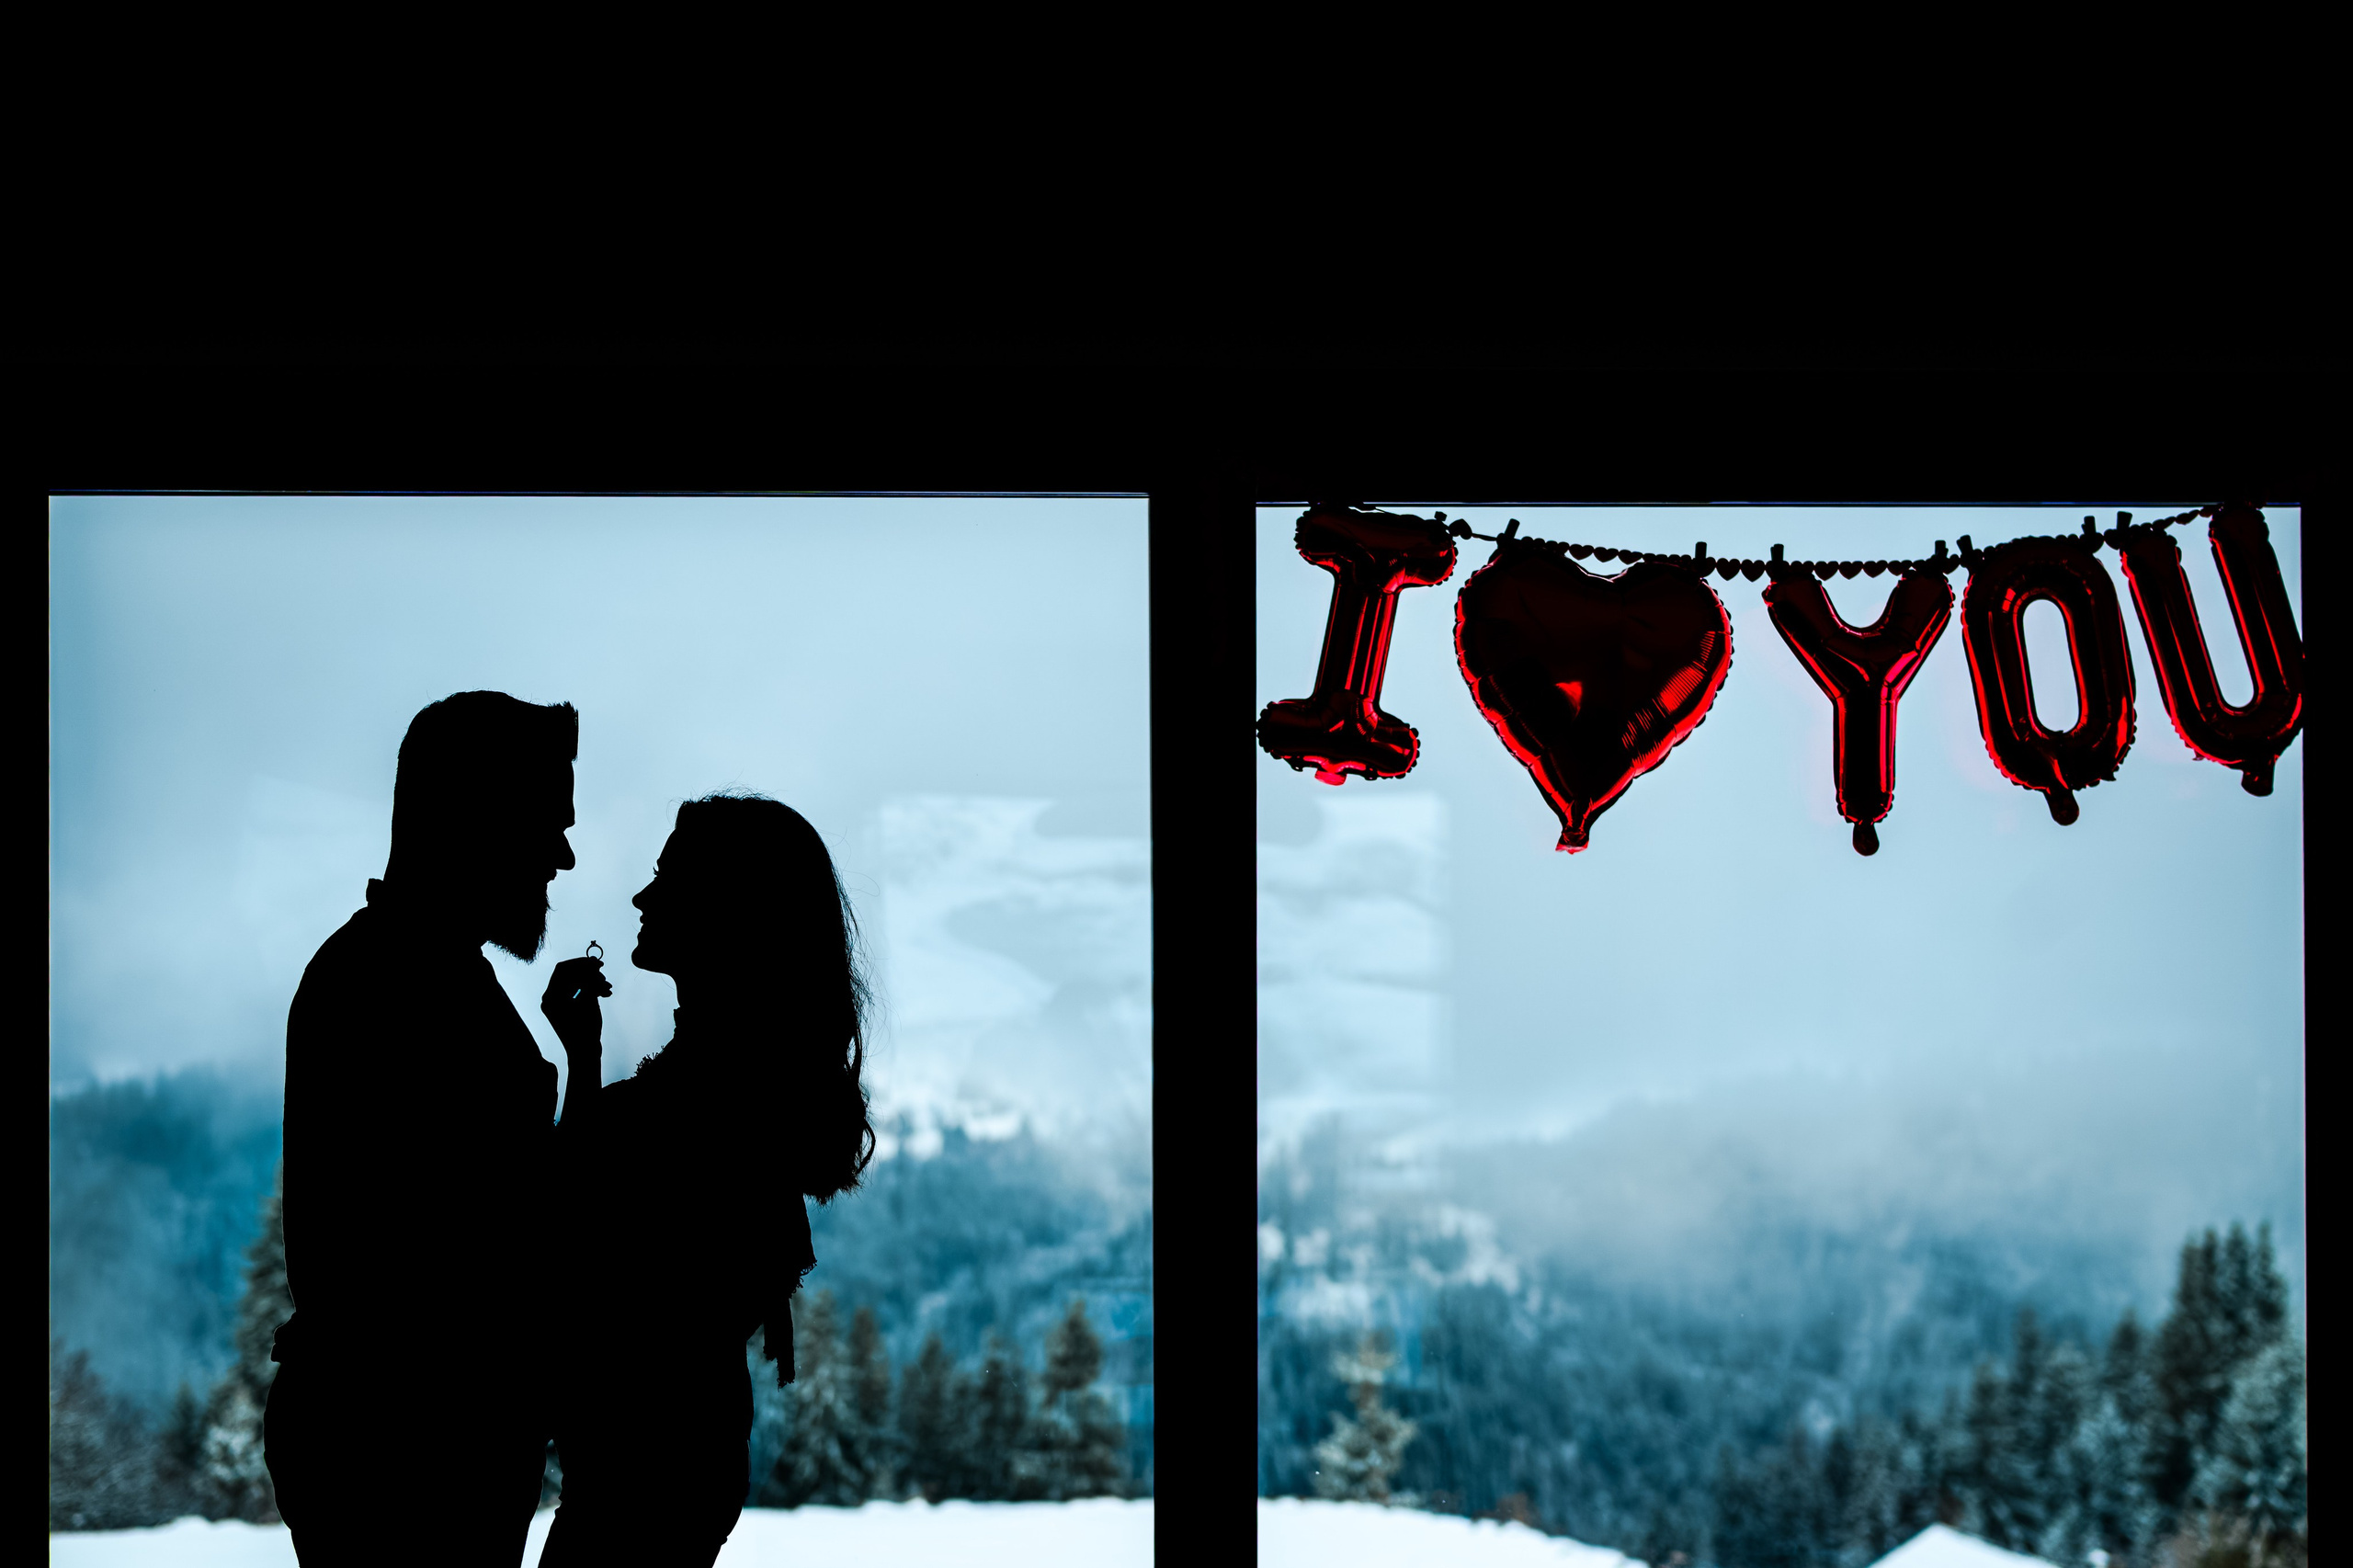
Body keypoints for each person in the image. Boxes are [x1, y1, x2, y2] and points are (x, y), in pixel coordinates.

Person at [265, 691, 586, 1567]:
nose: (563, 853)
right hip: (409, 1464)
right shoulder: (396, 987)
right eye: (545, 822)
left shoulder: (406, 974)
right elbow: (471, 1243)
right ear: (475, 817)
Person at [536, 792, 875, 1568]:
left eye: (667, 879)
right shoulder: (736, 1086)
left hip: (642, 1481)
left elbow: (572, 1239)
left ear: (730, 911)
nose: (642, 897)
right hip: (673, 1467)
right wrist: (584, 1062)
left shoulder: (711, 1101)